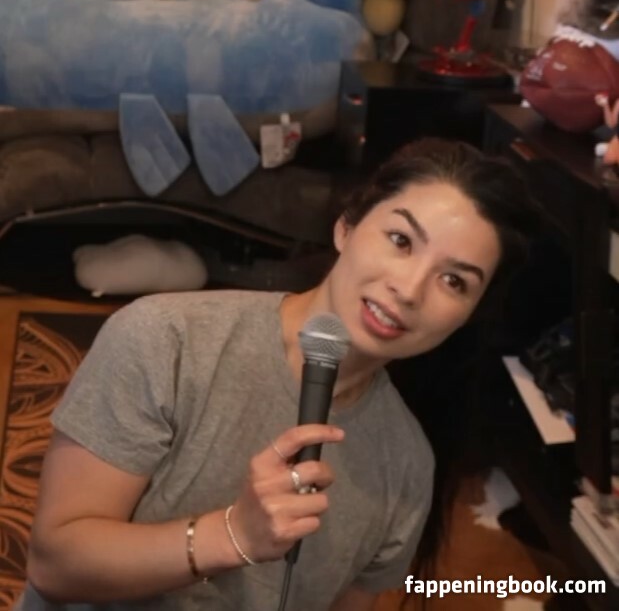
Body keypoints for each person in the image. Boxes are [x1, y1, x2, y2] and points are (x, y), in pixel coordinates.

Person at [18, 137, 540, 611]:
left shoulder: (408, 467)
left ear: (469, 314)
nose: (409, 289)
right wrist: (233, 535)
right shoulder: (166, 339)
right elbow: (56, 565)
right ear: (347, 226)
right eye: (401, 240)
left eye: (454, 281)